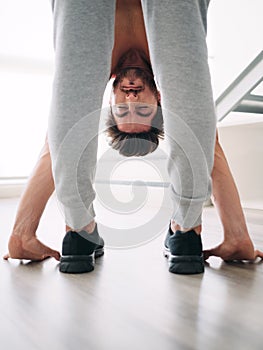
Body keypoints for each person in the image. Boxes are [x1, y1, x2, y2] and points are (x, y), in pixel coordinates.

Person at [4, 0, 263, 273]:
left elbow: (55, 146)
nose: (131, 96)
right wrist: (237, 235)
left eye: (122, 109)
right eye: (142, 110)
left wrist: (22, 233)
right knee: (197, 127)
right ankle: (186, 230)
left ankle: (79, 231)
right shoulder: (167, 62)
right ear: (160, 100)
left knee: (69, 123)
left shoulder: (101, 60)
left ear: (110, 98)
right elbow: (208, 145)